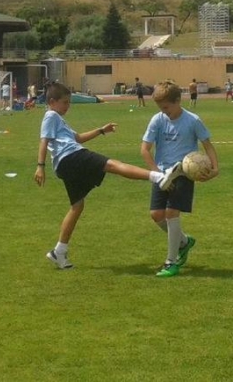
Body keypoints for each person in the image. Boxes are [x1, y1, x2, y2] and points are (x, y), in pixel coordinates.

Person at [34, 82, 182, 270]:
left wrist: (101, 130)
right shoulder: (50, 115)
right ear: (52, 102)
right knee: (112, 165)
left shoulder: (57, 119)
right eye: (65, 102)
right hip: (71, 157)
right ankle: (158, 177)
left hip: (65, 164)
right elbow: (43, 140)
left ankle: (59, 252)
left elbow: (77, 138)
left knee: (77, 206)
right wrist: (40, 165)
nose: (68, 106)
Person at [141, 80, 219, 277]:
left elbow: (207, 144)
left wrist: (215, 168)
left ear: (178, 101)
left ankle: (171, 262)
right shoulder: (157, 120)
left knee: (171, 213)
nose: (164, 111)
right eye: (160, 108)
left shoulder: (192, 120)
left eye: (166, 107)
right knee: (156, 215)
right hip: (163, 174)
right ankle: (184, 242)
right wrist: (156, 173)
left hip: (183, 173)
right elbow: (145, 149)